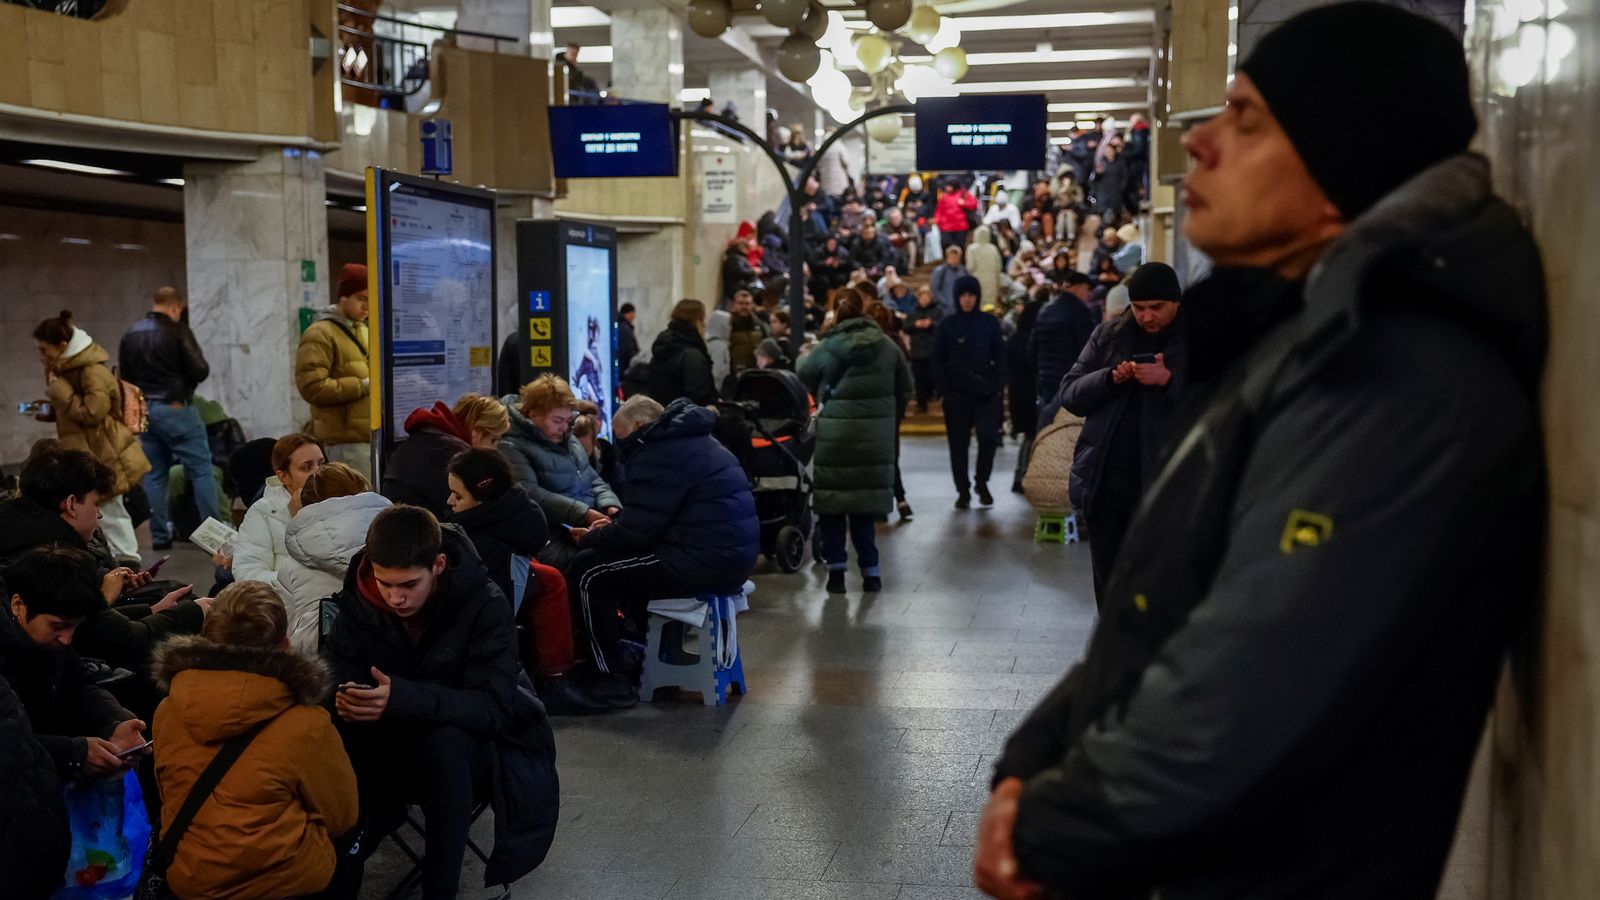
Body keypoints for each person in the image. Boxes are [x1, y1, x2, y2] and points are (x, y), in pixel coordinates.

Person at [974, 9, 1542, 899]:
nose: (1198, 144)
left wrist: (1057, 824)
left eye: (1246, 122)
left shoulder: (1400, 380)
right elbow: (1162, 611)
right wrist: (1033, 757)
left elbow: (1259, 671)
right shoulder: (1294, 344)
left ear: (1335, 168)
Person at [325, 505, 553, 899]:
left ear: (440, 564)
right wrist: (345, 698)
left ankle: (440, 890)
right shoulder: (357, 603)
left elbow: (494, 711)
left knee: (446, 744)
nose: (395, 597)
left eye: (409, 585)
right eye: (385, 583)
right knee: (335, 740)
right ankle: (337, 879)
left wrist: (401, 698)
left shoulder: (483, 603)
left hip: (471, 751)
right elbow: (332, 676)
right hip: (383, 744)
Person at [151, 581, 359, 900]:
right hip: (284, 884)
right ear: (285, 645)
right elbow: (342, 816)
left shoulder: (168, 710)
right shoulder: (306, 723)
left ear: (205, 642)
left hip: (192, 880)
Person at [566, 396, 759, 702]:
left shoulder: (658, 452)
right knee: (623, 569)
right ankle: (645, 657)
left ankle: (610, 676)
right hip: (729, 557)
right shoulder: (696, 440)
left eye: (620, 434)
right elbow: (657, 517)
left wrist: (590, 537)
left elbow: (636, 534)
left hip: (702, 561)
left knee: (589, 571)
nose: (619, 443)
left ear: (640, 426)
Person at [0, 448, 206, 706]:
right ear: (72, 504)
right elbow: (118, 639)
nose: (99, 514)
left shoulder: (20, 529)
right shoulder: (54, 557)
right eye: (96, 503)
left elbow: (91, 624)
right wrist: (194, 612)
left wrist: (153, 609)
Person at [444, 449, 609, 715]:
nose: (450, 501)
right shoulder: (517, 513)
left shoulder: (473, 541)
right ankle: (557, 679)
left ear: (484, 496)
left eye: (458, 495)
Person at [1058, 263, 1186, 606]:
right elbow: (1070, 393)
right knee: (1110, 587)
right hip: (1106, 485)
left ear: (1176, 302)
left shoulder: (1196, 341)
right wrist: (1109, 378)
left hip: (1167, 487)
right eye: (1139, 308)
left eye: (1156, 308)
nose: (1146, 317)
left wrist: (1169, 381)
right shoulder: (1109, 335)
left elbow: (1219, 401)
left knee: (1161, 589)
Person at [0, 546, 145, 787]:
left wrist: (115, 721)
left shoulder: (46, 638)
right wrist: (74, 754)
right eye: (58, 626)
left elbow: (78, 684)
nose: (67, 639)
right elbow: (9, 741)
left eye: (74, 627)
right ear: (18, 605)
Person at [799, 293, 913, 591]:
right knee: (863, 510)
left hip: (834, 438)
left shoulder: (827, 346)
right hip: (875, 439)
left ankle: (836, 574)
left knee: (834, 507)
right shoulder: (888, 347)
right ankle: (871, 574)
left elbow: (804, 375)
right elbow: (906, 389)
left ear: (836, 318)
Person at [32, 309, 151, 562]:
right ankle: (117, 561)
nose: (42, 357)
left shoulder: (91, 370)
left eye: (44, 350)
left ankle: (128, 562)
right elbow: (74, 409)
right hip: (91, 449)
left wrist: (58, 389)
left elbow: (93, 412)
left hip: (104, 450)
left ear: (62, 345)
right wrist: (49, 409)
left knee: (112, 510)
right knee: (102, 509)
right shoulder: (68, 370)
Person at [118, 286, 221, 551]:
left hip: (146, 412)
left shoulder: (131, 333)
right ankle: (215, 538)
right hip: (176, 408)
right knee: (201, 471)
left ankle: (160, 536)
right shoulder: (178, 331)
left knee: (154, 475)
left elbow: (126, 378)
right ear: (176, 307)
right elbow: (200, 369)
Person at [499, 376, 621, 568]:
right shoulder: (510, 444)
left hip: (582, 526)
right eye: (557, 420)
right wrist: (584, 513)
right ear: (533, 413)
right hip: (551, 535)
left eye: (567, 420)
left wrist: (610, 505)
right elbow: (530, 492)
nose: (564, 428)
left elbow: (590, 476)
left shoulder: (567, 438)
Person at [276, 463, 391, 651]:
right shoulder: (396, 540)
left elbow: (283, 630)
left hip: (317, 666)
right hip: (390, 661)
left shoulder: (293, 565)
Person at [933, 275, 1006, 509]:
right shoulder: (947, 325)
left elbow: (1001, 356)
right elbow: (937, 360)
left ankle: (982, 482)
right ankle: (962, 490)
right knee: (958, 445)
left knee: (988, 439)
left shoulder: (989, 323)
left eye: (971, 295)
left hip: (986, 394)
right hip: (957, 396)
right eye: (963, 295)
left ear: (977, 297)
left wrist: (997, 387)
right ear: (957, 297)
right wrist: (944, 391)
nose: (967, 300)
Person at [296, 263, 372, 480]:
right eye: (361, 298)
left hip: (366, 438)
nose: (366, 307)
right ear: (343, 297)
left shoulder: (363, 330)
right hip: (343, 443)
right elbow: (312, 387)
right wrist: (363, 385)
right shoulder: (320, 333)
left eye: (370, 300)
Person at [381, 393, 510, 519]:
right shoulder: (456, 455)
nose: (495, 448)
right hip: (419, 530)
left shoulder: (428, 439)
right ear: (478, 433)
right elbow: (472, 510)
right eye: (493, 440)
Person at [230, 434, 326, 591]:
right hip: (285, 606)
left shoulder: (340, 502)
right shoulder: (263, 512)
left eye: (321, 464)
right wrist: (303, 582)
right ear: (284, 476)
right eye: (306, 467)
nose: (319, 473)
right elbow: (248, 572)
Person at [1029, 272, 1099, 427]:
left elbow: (1032, 350)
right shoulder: (1080, 312)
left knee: (1046, 422)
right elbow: (1087, 350)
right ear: (1079, 288)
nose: (1088, 295)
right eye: (1087, 290)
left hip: (1045, 379)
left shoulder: (1045, 311)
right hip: (1070, 379)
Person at [1005, 293, 1046, 492]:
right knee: (1033, 436)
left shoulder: (1014, 338)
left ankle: (1021, 474)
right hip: (1032, 393)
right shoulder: (1036, 338)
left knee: (1029, 436)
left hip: (1019, 394)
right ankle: (1024, 475)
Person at [647, 299, 718, 406]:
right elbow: (699, 395)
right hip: (687, 419)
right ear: (698, 320)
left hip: (663, 416)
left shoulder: (663, 347)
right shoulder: (692, 355)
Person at [905, 286, 945, 413]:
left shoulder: (938, 311)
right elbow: (906, 327)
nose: (924, 299)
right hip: (917, 350)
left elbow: (943, 326)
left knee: (933, 376)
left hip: (932, 349)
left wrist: (931, 324)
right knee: (919, 378)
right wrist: (916, 325)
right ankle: (921, 403)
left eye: (926, 296)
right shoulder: (913, 312)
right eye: (922, 297)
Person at [726, 289, 771, 380]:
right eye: (741, 303)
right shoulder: (728, 324)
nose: (744, 307)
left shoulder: (758, 324)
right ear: (734, 305)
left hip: (756, 371)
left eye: (747, 304)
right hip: (735, 372)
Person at [965, 225, 1004, 310]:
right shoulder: (993, 248)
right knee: (990, 308)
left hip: (977, 283)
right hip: (992, 283)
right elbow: (999, 267)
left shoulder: (971, 249)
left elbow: (970, 267)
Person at [935, 179, 978, 251]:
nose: (947, 187)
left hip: (960, 227)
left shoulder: (963, 194)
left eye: (949, 186)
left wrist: (964, 203)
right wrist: (937, 221)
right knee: (946, 246)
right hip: (946, 228)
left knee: (960, 247)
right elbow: (939, 210)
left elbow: (974, 205)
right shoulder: (943, 196)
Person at [930, 244, 968, 314]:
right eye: (951, 255)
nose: (953, 257)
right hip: (943, 309)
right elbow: (934, 289)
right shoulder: (939, 271)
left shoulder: (964, 271)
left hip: (961, 308)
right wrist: (944, 303)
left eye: (956, 255)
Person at [616, 303, 639, 373]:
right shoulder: (625, 328)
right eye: (633, 313)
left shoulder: (621, 326)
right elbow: (627, 349)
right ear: (628, 314)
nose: (634, 317)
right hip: (625, 368)